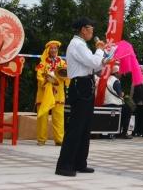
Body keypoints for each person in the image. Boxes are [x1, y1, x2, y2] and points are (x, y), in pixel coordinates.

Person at [55, 18, 107, 177]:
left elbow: (94, 65)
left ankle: (79, 162)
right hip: (80, 85)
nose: (92, 32)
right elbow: (92, 60)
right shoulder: (77, 44)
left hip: (87, 84)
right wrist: (99, 50)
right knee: (76, 127)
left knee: (85, 127)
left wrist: (105, 59)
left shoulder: (82, 45)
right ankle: (64, 164)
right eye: (90, 28)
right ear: (83, 29)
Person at [36, 40, 68, 146]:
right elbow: (39, 77)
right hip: (44, 94)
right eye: (52, 48)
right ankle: (41, 139)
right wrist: (46, 82)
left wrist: (64, 74)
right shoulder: (42, 63)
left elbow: (67, 76)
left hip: (58, 93)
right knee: (42, 117)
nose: (54, 50)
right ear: (48, 50)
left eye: (55, 48)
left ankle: (59, 140)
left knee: (59, 117)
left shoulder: (62, 62)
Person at [102, 65, 131, 139]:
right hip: (115, 104)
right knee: (128, 110)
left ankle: (117, 131)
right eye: (120, 72)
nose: (121, 74)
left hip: (106, 103)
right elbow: (120, 94)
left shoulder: (108, 79)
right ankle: (124, 133)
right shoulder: (116, 81)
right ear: (116, 73)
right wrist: (123, 94)